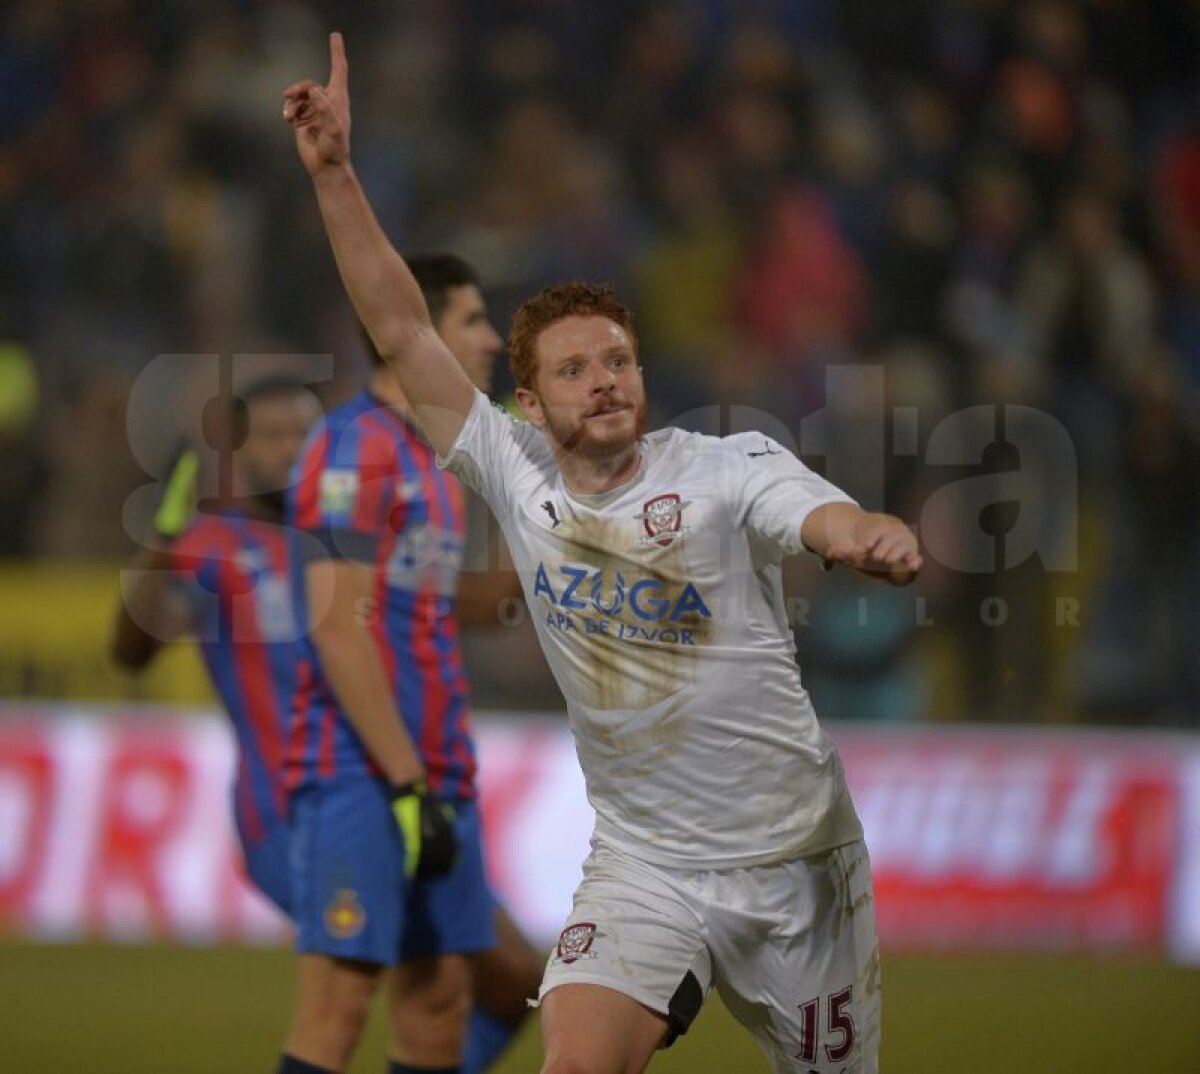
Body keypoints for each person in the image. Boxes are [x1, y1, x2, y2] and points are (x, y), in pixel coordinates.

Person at [283, 33, 922, 1074]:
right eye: (575, 369)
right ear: (527, 403)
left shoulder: (723, 465)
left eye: (618, 358)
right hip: (646, 866)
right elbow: (402, 327)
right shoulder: (512, 464)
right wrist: (338, 174)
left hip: (796, 863)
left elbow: (818, 517)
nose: (606, 379)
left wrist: (863, 537)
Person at [280, 250, 538, 1074]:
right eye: (471, 319)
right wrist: (402, 783)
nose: (494, 338)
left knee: (438, 1001)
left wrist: (551, 565)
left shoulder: (434, 452)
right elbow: (338, 628)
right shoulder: (352, 449)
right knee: (340, 1004)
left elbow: (426, 604)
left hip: (437, 773)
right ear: (416, 330)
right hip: (366, 774)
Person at [110, 373, 321, 916]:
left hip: (377, 799)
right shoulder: (214, 547)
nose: (292, 449)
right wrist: (164, 537)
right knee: (389, 974)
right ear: (238, 450)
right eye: (273, 435)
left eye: (305, 433)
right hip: (282, 810)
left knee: (495, 977)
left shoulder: (353, 543)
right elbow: (132, 650)